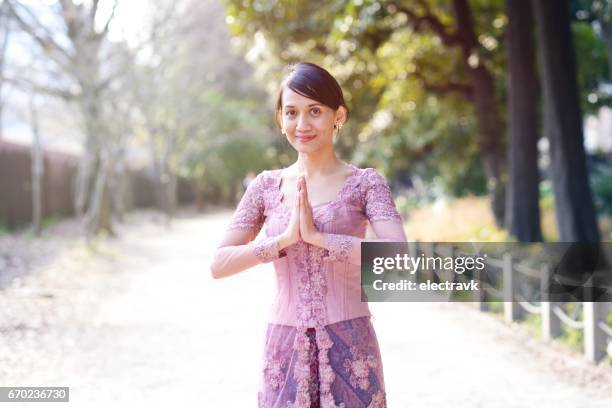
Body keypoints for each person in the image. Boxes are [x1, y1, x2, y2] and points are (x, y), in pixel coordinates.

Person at [210, 62, 407, 408]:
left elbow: (399, 257)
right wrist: (281, 242)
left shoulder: (365, 183)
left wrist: (321, 238)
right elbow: (219, 264)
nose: (302, 124)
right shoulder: (265, 187)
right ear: (280, 120)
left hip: (351, 345)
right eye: (291, 112)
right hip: (283, 348)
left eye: (315, 111)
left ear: (339, 115)